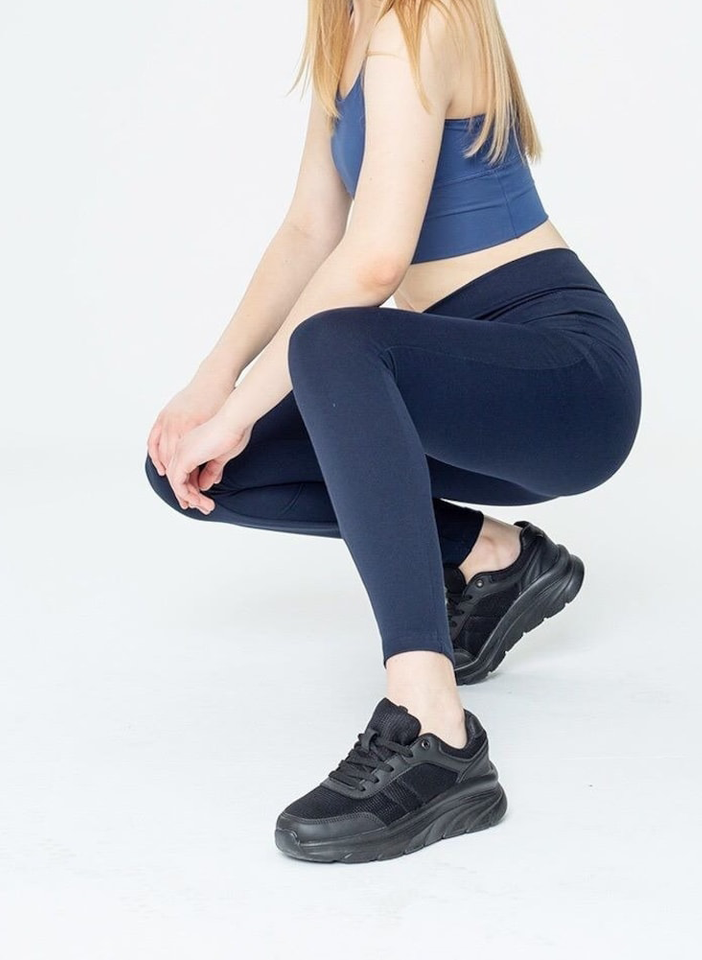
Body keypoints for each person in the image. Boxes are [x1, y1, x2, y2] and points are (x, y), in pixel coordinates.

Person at [143, 0, 641, 863]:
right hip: (444, 388)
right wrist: (211, 384)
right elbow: (311, 229)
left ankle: (433, 727)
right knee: (202, 469)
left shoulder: (425, 21)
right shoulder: (344, 33)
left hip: (563, 379)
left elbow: (374, 262)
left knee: (332, 345)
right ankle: (495, 558)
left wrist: (239, 408)